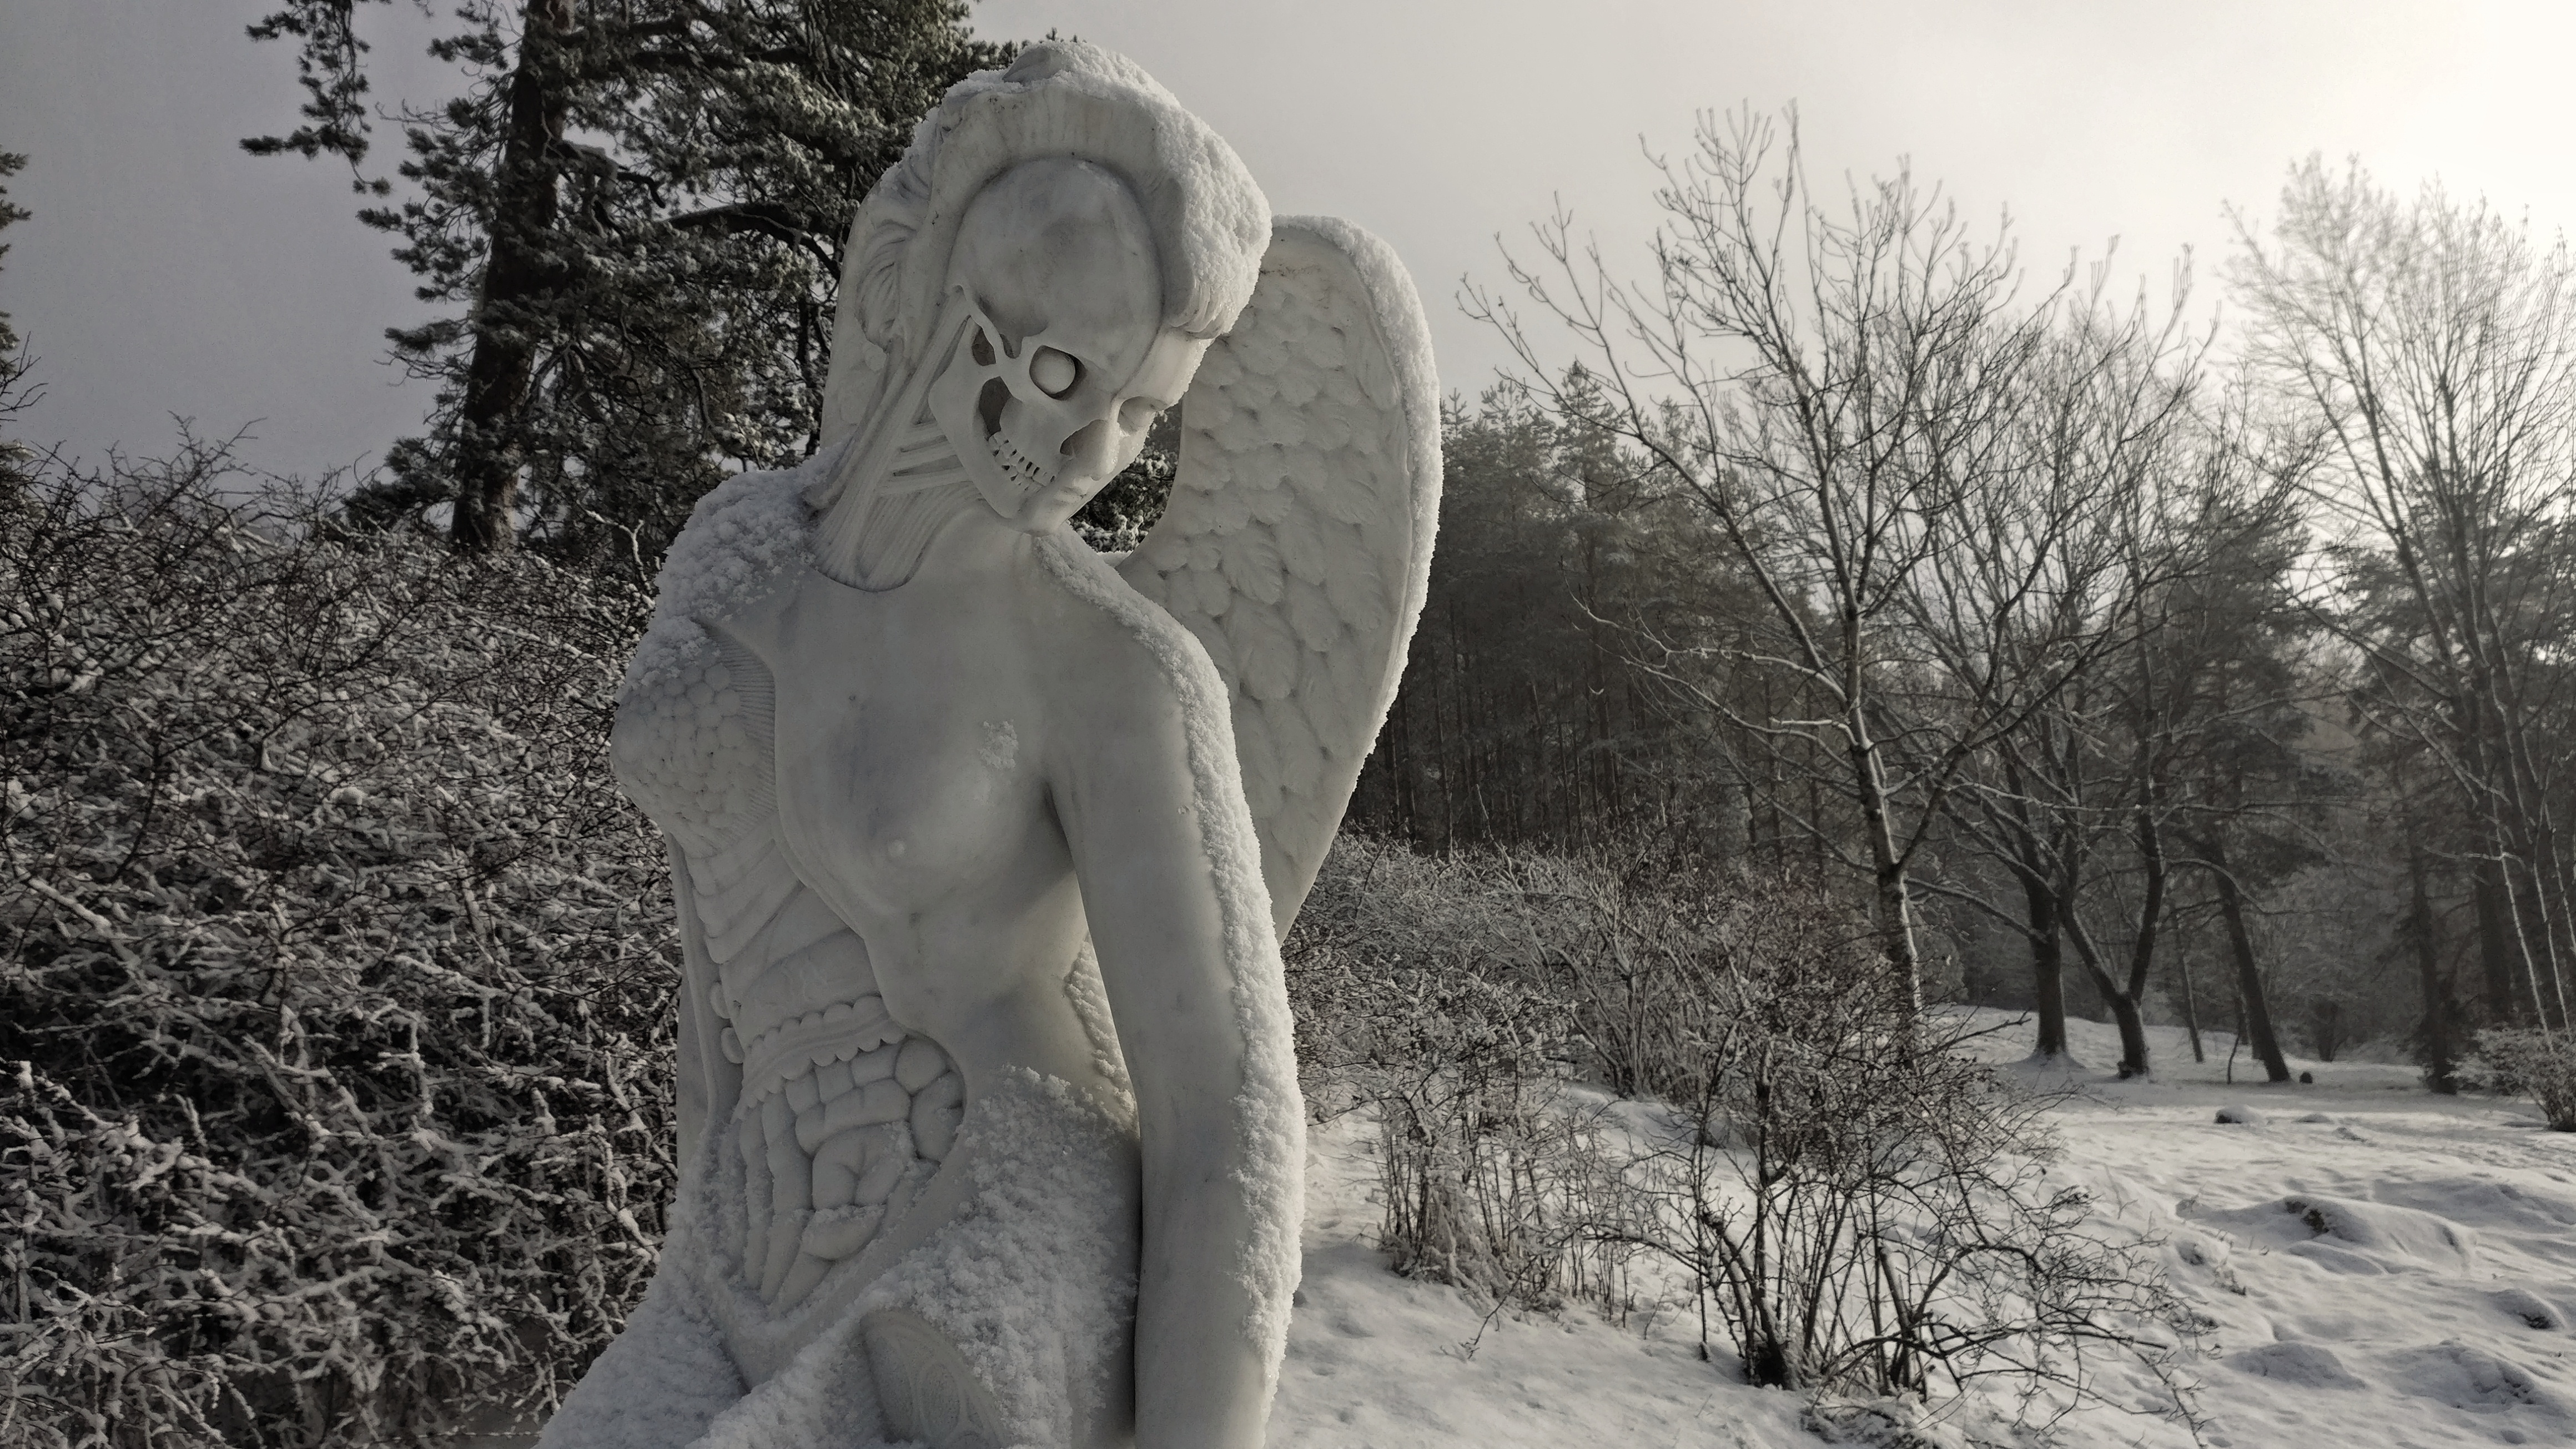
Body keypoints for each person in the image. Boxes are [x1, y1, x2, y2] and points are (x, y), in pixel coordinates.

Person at [549, 44, 1300, 1449]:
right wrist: (695, 1228)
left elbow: (1225, 1125)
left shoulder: (1114, 668)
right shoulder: (729, 548)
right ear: (935, 290)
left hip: (991, 1244)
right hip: (742, 1237)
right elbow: (712, 995)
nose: (1093, 455)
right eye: (1062, 373)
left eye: (1141, 413)